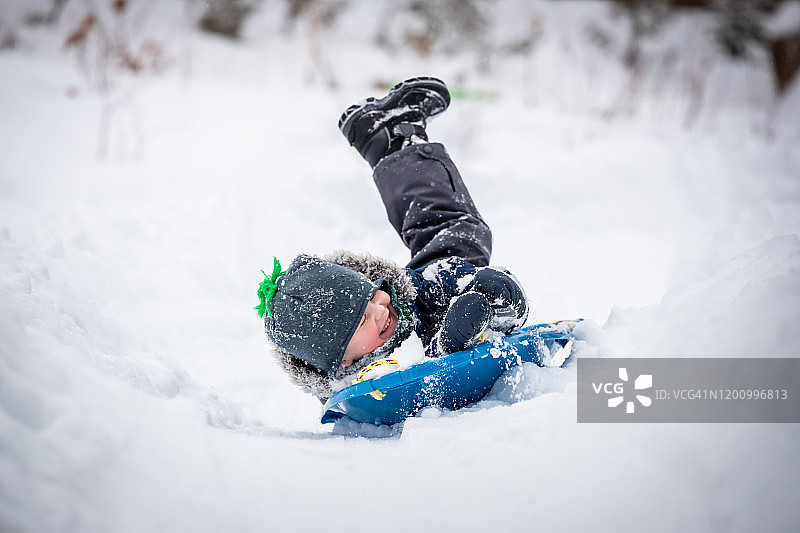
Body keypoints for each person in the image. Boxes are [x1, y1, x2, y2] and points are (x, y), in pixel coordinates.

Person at [256, 77, 529, 401]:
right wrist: (443, 350)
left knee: (459, 237)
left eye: (371, 296)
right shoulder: (347, 380)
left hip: (430, 300)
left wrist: (499, 301)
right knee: (447, 234)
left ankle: (394, 139)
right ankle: (387, 137)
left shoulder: (412, 297)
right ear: (343, 359)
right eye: (363, 320)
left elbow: (458, 282)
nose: (381, 309)